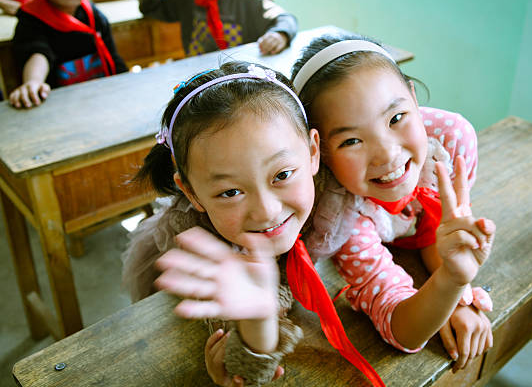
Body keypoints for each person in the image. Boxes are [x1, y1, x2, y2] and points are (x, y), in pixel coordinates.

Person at [122, 61, 384, 386]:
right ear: (191, 192)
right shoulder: (197, 245)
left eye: (282, 175)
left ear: (314, 151)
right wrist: (254, 333)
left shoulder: (338, 186)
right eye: (230, 192)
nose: (266, 211)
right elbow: (243, 361)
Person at [291, 33, 497, 372]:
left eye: (396, 117)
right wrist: (451, 281)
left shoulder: (451, 140)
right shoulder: (338, 220)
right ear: (321, 152)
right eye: (352, 140)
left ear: (413, 99)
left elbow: (441, 228)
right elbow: (401, 329)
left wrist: (461, 295)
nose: (387, 154)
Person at [9, 0, 127, 109]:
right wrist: (34, 81)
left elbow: (113, 59)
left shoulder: (93, 14)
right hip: (58, 109)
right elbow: (38, 53)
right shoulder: (31, 19)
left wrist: (127, 82)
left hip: (100, 101)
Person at [138, 0, 297, 56]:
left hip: (242, 76)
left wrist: (279, 34)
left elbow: (285, 19)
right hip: (200, 75)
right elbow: (149, 7)